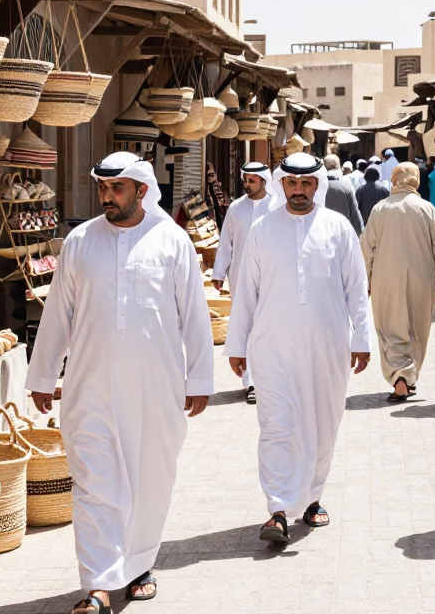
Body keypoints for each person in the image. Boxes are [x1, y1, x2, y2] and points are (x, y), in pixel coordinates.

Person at [28, 152, 213, 614]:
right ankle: (97, 584)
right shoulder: (80, 241)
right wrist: (43, 374)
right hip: (90, 386)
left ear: (142, 191)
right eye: (102, 189)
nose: (107, 197)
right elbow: (58, 313)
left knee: (151, 479)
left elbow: (194, 314)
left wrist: (200, 378)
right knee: (95, 484)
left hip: (157, 388)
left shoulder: (172, 240)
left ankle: (138, 565)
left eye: (117, 189)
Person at [223, 152, 371, 543]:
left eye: (306, 183)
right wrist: (237, 344)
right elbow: (246, 292)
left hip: (328, 347)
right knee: (276, 427)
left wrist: (362, 338)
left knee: (323, 425)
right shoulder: (262, 229)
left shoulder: (338, 228)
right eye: (292, 183)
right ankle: (277, 509)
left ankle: (311, 498)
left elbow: (357, 287)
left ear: (317, 185)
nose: (299, 190)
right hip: (271, 347)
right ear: (281, 185)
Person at [361, 162, 435, 401]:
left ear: (393, 179)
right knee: (417, 327)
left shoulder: (380, 209)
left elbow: (367, 249)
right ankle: (408, 375)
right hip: (422, 278)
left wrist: (365, 281)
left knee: (389, 326)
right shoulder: (426, 208)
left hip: (385, 279)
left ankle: (399, 375)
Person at [213, 161, 275, 405]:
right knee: (245, 326)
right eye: (245, 180)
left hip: (270, 277)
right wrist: (218, 273)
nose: (247, 184)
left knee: (266, 326)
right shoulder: (236, 208)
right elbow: (225, 242)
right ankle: (251, 381)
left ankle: (267, 377)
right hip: (240, 276)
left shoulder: (276, 207)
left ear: (264, 181)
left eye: (252, 180)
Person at [322, 154, 364, 235]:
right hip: (343, 234)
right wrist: (360, 232)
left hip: (322, 234)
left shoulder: (316, 187)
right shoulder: (346, 187)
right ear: (339, 168)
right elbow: (355, 214)